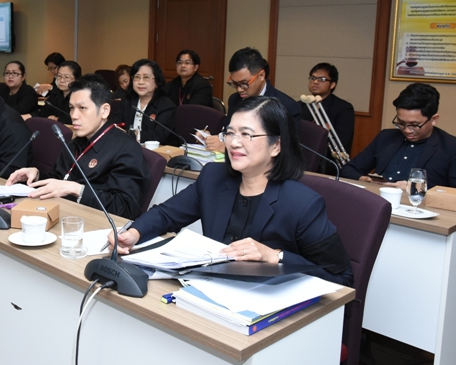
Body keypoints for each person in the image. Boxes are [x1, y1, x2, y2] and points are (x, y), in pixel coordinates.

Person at [109, 96, 354, 287]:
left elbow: (342, 277)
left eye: (247, 134)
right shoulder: (214, 178)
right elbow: (166, 215)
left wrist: (277, 257)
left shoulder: (301, 203)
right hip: (210, 292)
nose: (234, 142)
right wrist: (134, 233)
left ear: (276, 145)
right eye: (230, 133)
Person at [7, 75, 149, 218]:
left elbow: (126, 208)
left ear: (104, 111)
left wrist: (78, 190)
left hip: (97, 223)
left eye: (82, 108)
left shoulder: (126, 149)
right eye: (71, 108)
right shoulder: (74, 143)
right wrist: (36, 176)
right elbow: (59, 178)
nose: (74, 115)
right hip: (65, 214)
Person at [341, 83, 456, 201]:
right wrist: (365, 180)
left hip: (419, 212)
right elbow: (348, 170)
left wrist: (416, 190)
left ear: (434, 119)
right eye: (401, 123)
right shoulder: (386, 137)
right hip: (378, 203)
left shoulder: (452, 148)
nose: (407, 130)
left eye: (414, 125)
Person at [205, 47, 301, 152]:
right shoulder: (235, 99)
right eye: (234, 84)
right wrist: (215, 138)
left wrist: (229, 147)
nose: (239, 89)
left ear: (261, 75)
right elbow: (229, 132)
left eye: (244, 83)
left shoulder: (287, 106)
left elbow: (286, 149)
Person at [119, 59, 177, 146]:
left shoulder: (167, 106)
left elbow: (158, 136)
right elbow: (115, 125)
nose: (141, 82)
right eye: (137, 77)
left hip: (155, 151)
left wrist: (130, 134)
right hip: (126, 148)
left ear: (157, 82)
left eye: (146, 77)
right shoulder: (127, 101)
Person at [300, 63, 355, 154]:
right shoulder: (299, 105)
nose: (315, 82)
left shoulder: (343, 108)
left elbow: (343, 142)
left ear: (332, 84)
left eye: (322, 79)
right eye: (313, 78)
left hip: (326, 158)